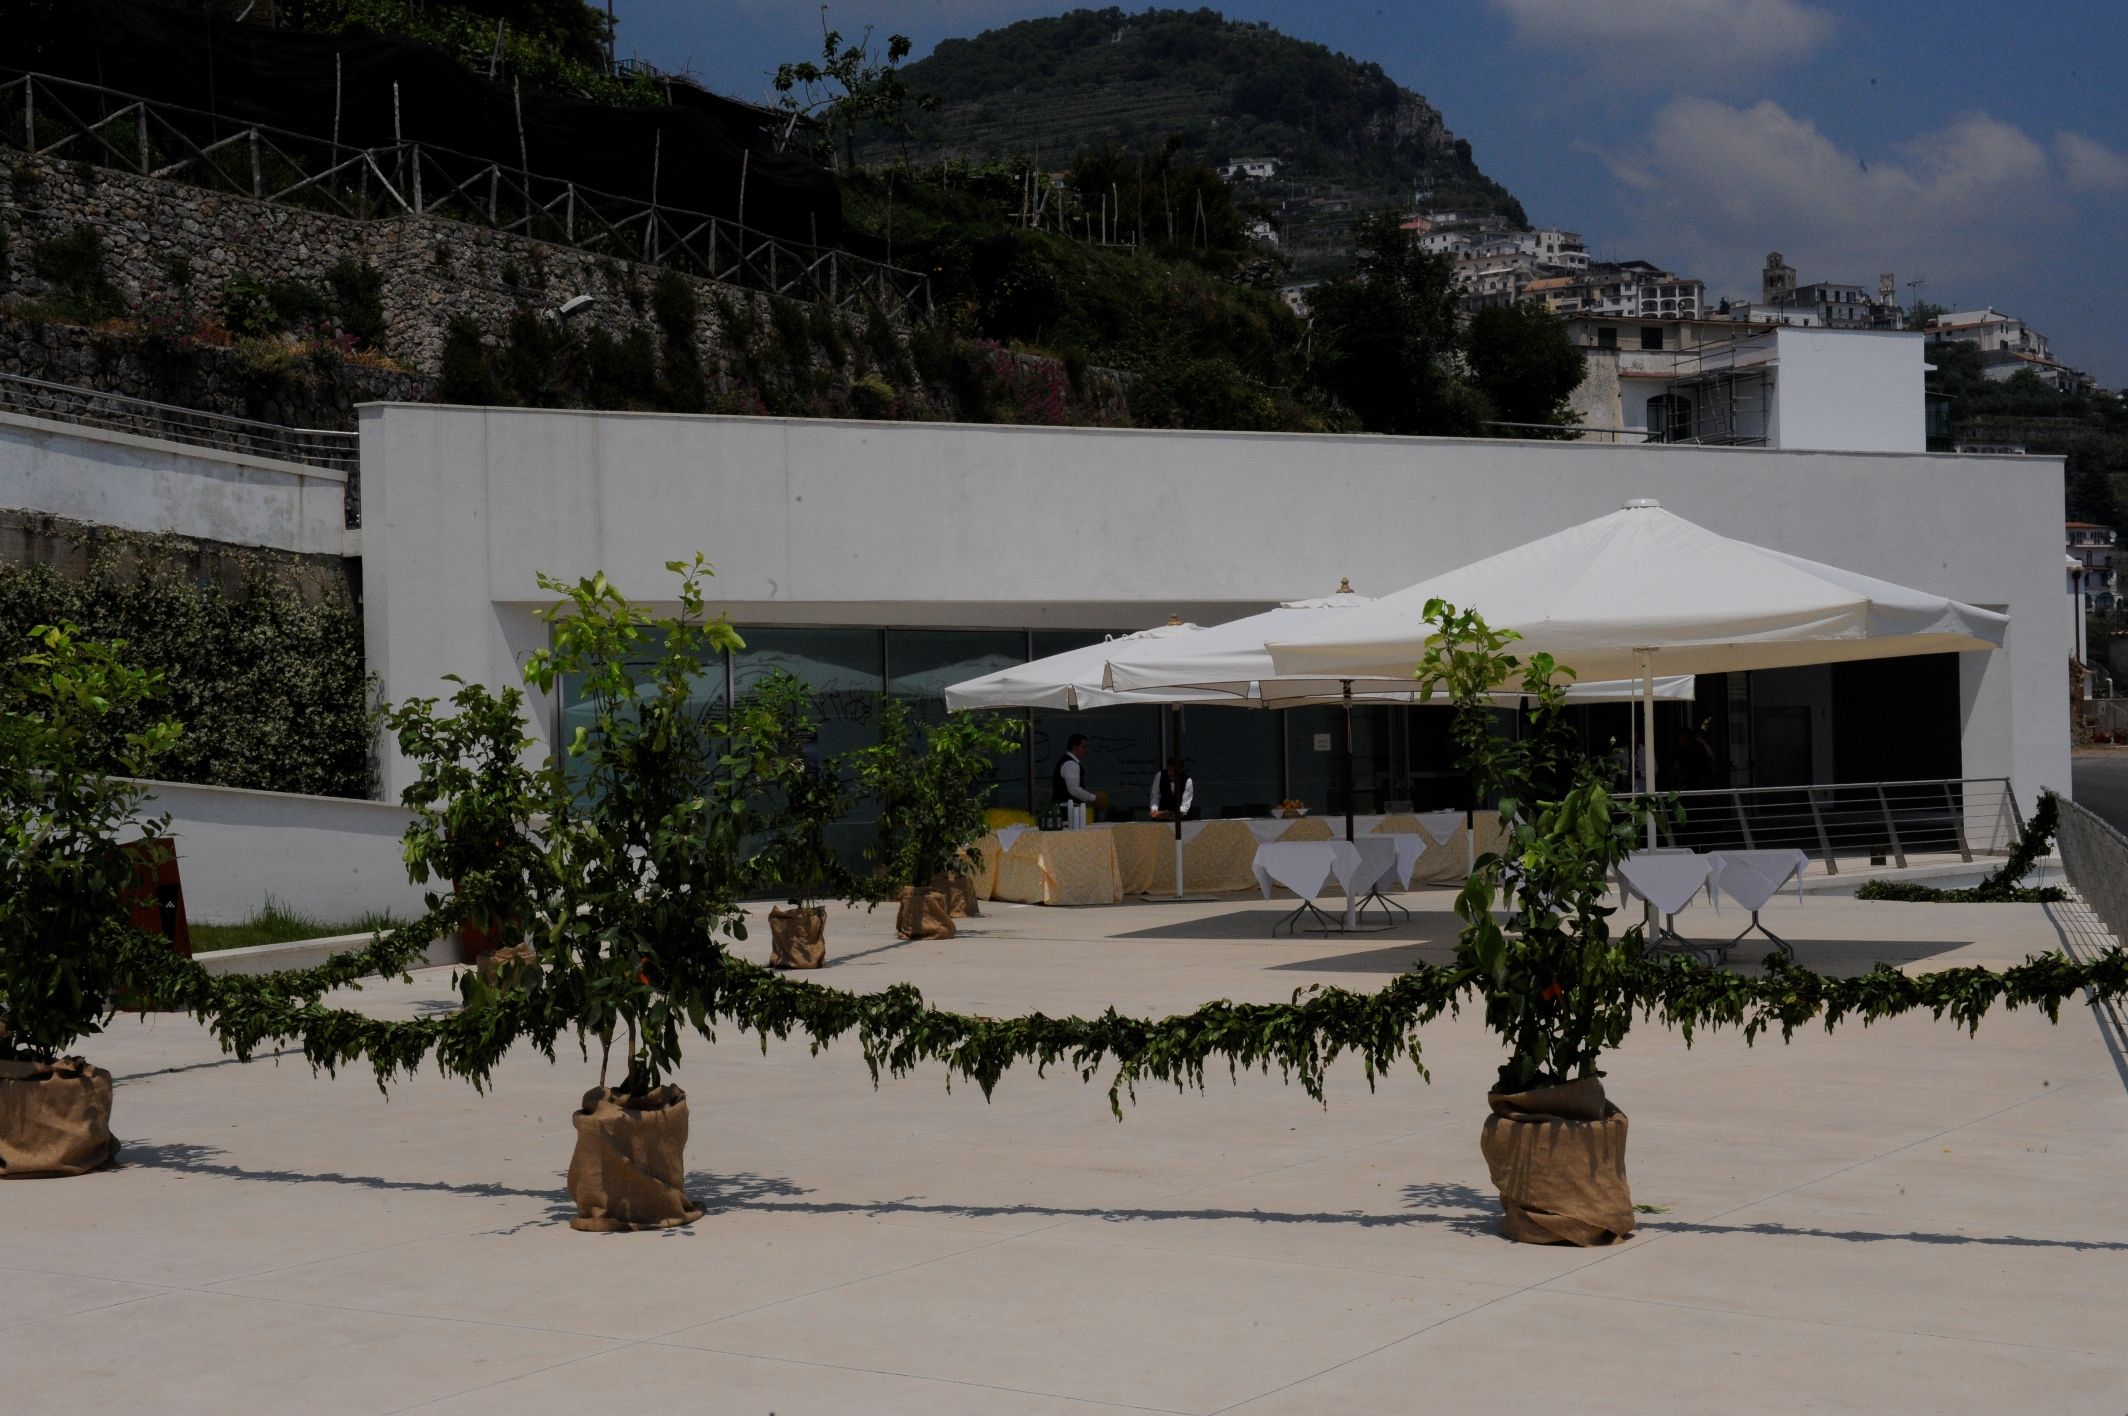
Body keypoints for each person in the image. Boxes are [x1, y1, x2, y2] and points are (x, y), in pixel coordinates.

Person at [1052, 733, 1097, 808]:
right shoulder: (1070, 764)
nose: (1086, 750)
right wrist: (1094, 798)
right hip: (1067, 809)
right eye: (1083, 747)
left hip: (1065, 807)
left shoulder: (1067, 761)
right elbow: (1074, 790)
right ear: (1075, 747)